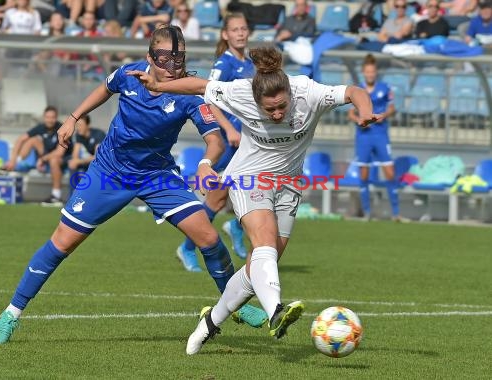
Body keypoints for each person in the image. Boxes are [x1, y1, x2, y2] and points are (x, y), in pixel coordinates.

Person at [0, 25, 266, 345]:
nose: (172, 65)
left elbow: (214, 140)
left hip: (157, 176)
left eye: (179, 58)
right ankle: (11, 313)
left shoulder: (190, 93)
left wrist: (205, 163)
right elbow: (104, 88)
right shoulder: (129, 75)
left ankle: (234, 304)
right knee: (62, 243)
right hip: (109, 172)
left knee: (209, 237)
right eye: (164, 58)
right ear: (150, 57)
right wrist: (73, 117)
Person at [128, 45, 377, 354]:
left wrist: (365, 111)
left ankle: (209, 322)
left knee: (256, 268)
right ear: (256, 98)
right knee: (264, 245)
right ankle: (276, 311)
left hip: (289, 184)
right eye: (269, 109)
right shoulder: (241, 92)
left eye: (281, 107)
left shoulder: (308, 92)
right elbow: (200, 85)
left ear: (289, 92)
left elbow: (353, 90)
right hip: (249, 177)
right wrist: (158, 85)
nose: (276, 114)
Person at [176, 12, 254, 272]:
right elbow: (209, 97)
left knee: (257, 189)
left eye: (244, 28)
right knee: (216, 198)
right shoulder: (225, 63)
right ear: (225, 34)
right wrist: (228, 129)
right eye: (235, 29)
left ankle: (235, 226)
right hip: (231, 140)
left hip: (249, 139)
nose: (240, 33)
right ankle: (188, 247)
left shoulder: (250, 63)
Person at [348, 54, 402, 221]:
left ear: (376, 72)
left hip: (380, 134)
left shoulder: (385, 88)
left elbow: (392, 108)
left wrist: (384, 115)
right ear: (364, 72)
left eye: (372, 72)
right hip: (364, 136)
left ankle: (395, 213)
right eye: (367, 72)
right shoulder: (358, 90)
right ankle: (367, 213)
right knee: (364, 175)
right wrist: (359, 120)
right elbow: (351, 112)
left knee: (390, 173)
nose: (370, 74)